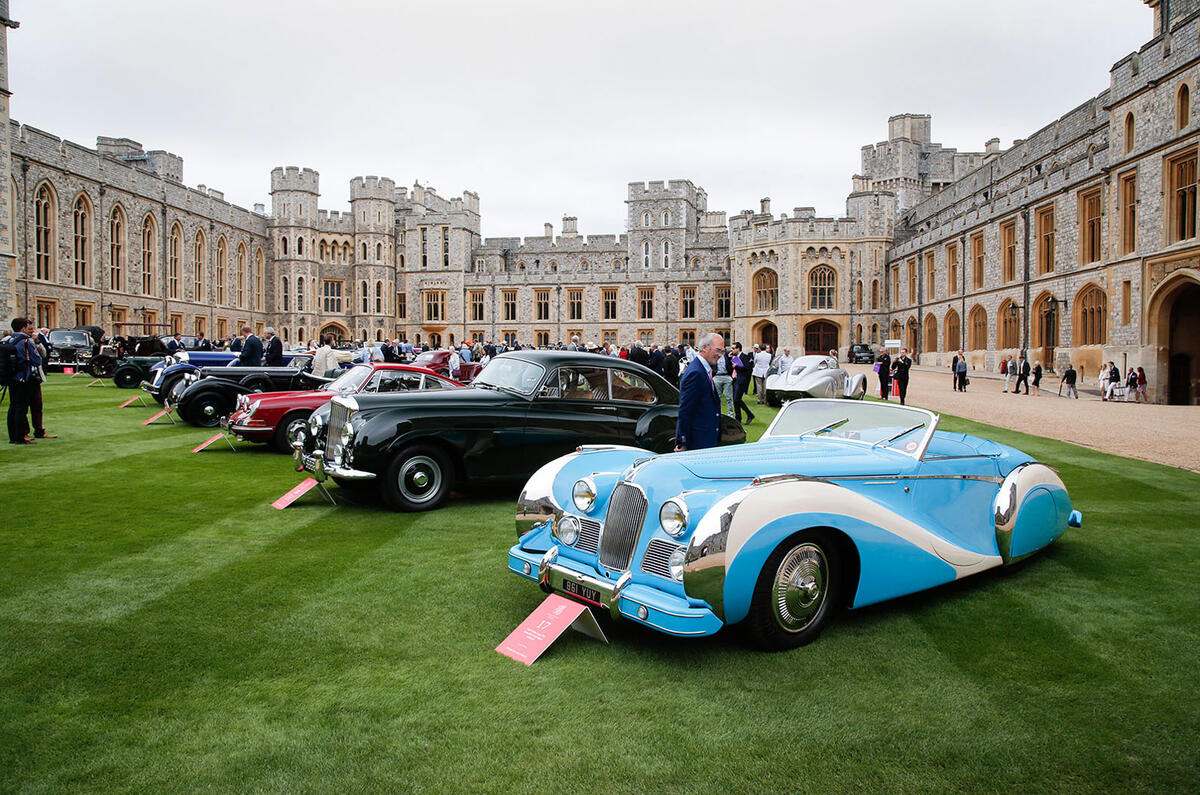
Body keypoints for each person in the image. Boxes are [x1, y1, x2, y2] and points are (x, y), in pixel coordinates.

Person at [674, 332, 724, 452]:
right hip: (697, 442)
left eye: (722, 351)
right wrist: (682, 441)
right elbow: (685, 410)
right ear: (704, 348)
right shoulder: (696, 372)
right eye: (717, 350)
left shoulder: (704, 370)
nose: (720, 355)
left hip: (706, 439)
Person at [5, 317, 42, 444]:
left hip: (11, 377)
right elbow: (37, 360)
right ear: (23, 328)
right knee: (21, 408)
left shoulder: (8, 339)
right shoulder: (26, 341)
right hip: (23, 377)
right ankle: (20, 437)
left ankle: (13, 436)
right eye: (28, 328)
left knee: (13, 407)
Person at [730, 342, 755, 424]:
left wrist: (736, 366)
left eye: (733, 348)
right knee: (736, 400)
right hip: (736, 379)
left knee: (737, 399)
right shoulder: (736, 357)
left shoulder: (744, 356)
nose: (732, 350)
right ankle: (739, 418)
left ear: (738, 349)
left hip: (742, 380)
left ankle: (748, 415)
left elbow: (747, 368)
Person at [712, 345, 734, 417]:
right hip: (717, 377)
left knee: (729, 397)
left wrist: (733, 358)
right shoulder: (714, 356)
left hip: (727, 376)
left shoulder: (728, 354)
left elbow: (739, 363)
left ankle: (730, 414)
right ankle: (719, 413)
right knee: (718, 397)